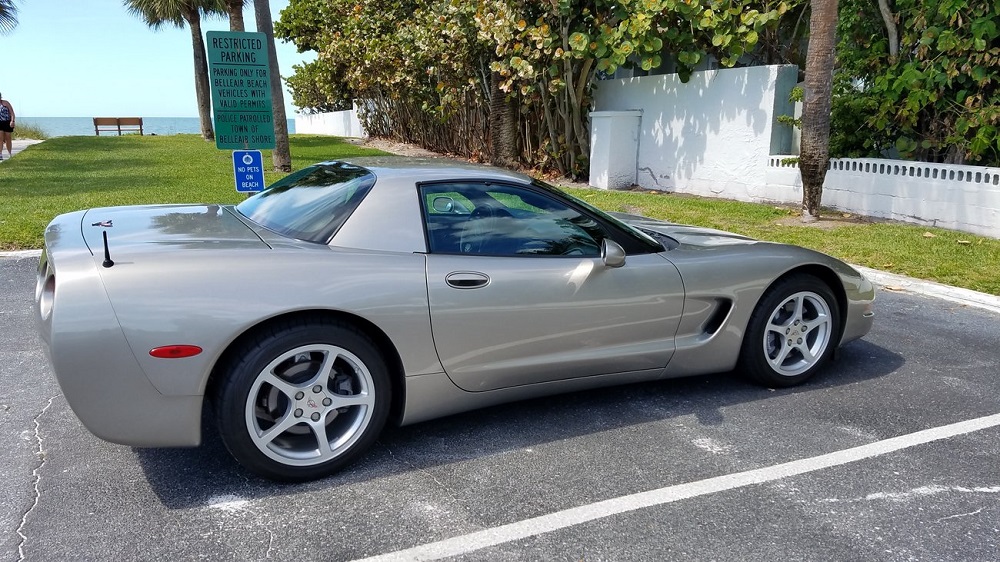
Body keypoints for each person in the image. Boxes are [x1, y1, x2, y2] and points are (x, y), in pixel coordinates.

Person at [0, 92, 14, 160]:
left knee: (8, 138)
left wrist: (12, 121)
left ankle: (9, 153)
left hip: (7, 122)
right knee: (0, 138)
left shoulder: (5, 103)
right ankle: (0, 154)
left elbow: (12, 113)